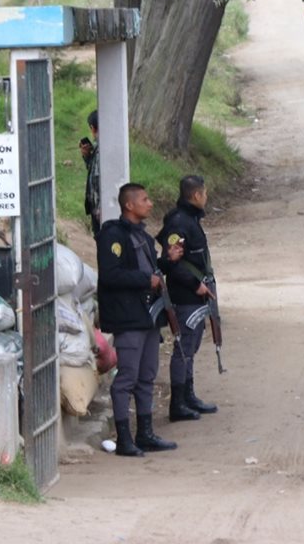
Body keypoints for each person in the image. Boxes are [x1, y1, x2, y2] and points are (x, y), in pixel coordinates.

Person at [97, 182, 182, 456]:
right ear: (129, 205)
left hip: (148, 318)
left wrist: (167, 261)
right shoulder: (113, 235)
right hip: (128, 318)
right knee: (127, 378)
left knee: (147, 376)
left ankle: (145, 434)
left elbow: (153, 273)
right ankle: (124, 439)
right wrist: (146, 280)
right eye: (145, 199)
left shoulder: (143, 238)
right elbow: (110, 275)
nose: (150, 203)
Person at [158, 175, 219, 422]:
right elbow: (173, 264)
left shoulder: (190, 219)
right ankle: (178, 403)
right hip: (186, 295)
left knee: (192, 345)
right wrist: (196, 285)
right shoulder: (179, 223)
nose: (206, 198)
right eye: (204, 194)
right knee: (184, 347)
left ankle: (188, 395)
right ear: (196, 195)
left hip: (196, 294)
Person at [80, 111, 100, 231]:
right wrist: (88, 157)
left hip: (99, 209)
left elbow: (96, 179)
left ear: (92, 128)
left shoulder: (100, 149)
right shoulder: (100, 147)